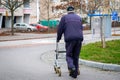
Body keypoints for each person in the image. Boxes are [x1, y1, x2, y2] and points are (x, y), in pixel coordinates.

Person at [57, 6, 84, 79]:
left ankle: (71, 67)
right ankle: (74, 74)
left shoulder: (64, 18)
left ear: (67, 11)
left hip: (70, 39)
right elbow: (81, 28)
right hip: (79, 38)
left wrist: (58, 38)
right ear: (74, 11)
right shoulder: (79, 17)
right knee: (76, 56)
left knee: (69, 55)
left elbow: (60, 29)